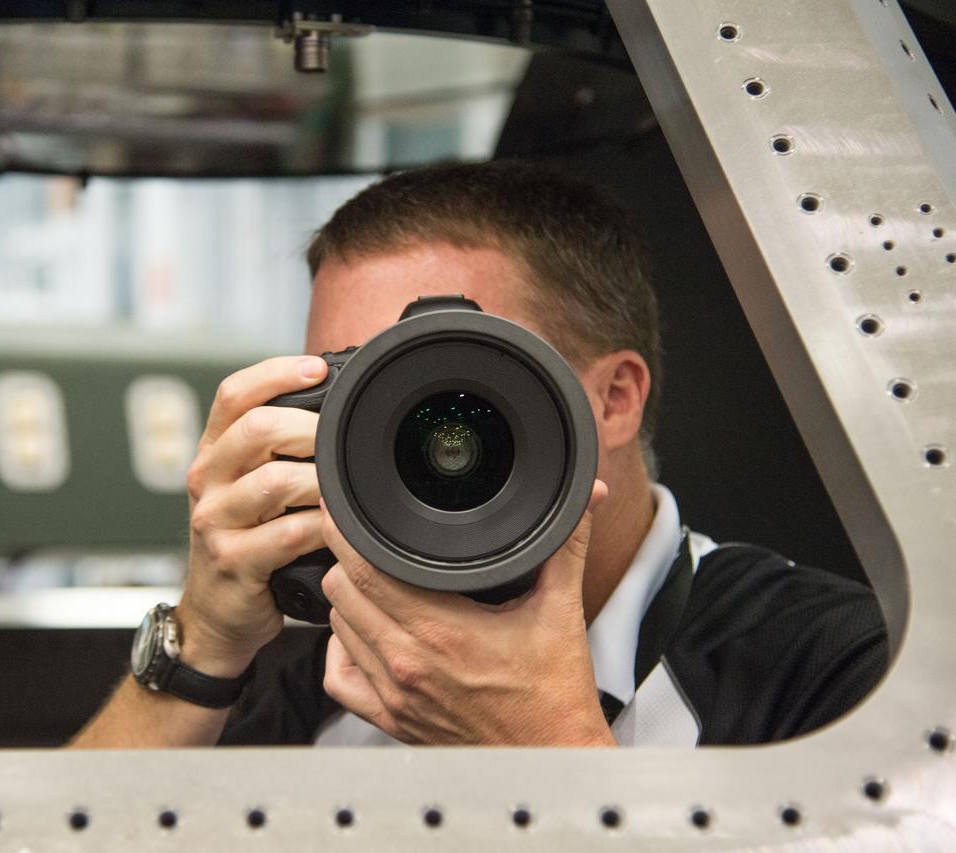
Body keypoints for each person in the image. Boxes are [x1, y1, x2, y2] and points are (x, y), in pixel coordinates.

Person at [70, 160, 887, 749]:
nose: (417, 440)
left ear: (614, 398)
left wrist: (541, 741)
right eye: (355, 392)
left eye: (452, 377)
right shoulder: (337, 667)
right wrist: (203, 644)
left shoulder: (832, 667)